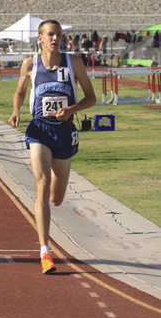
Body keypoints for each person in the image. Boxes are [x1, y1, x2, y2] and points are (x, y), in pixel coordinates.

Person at [8, 20, 96, 275]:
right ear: (40, 38)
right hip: (39, 130)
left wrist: (71, 109)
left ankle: (45, 211)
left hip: (64, 133)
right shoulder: (30, 64)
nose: (56, 38)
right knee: (42, 184)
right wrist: (15, 110)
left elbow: (91, 98)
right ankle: (45, 251)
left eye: (59, 34)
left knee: (56, 199)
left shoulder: (74, 62)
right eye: (51, 34)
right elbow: (20, 92)